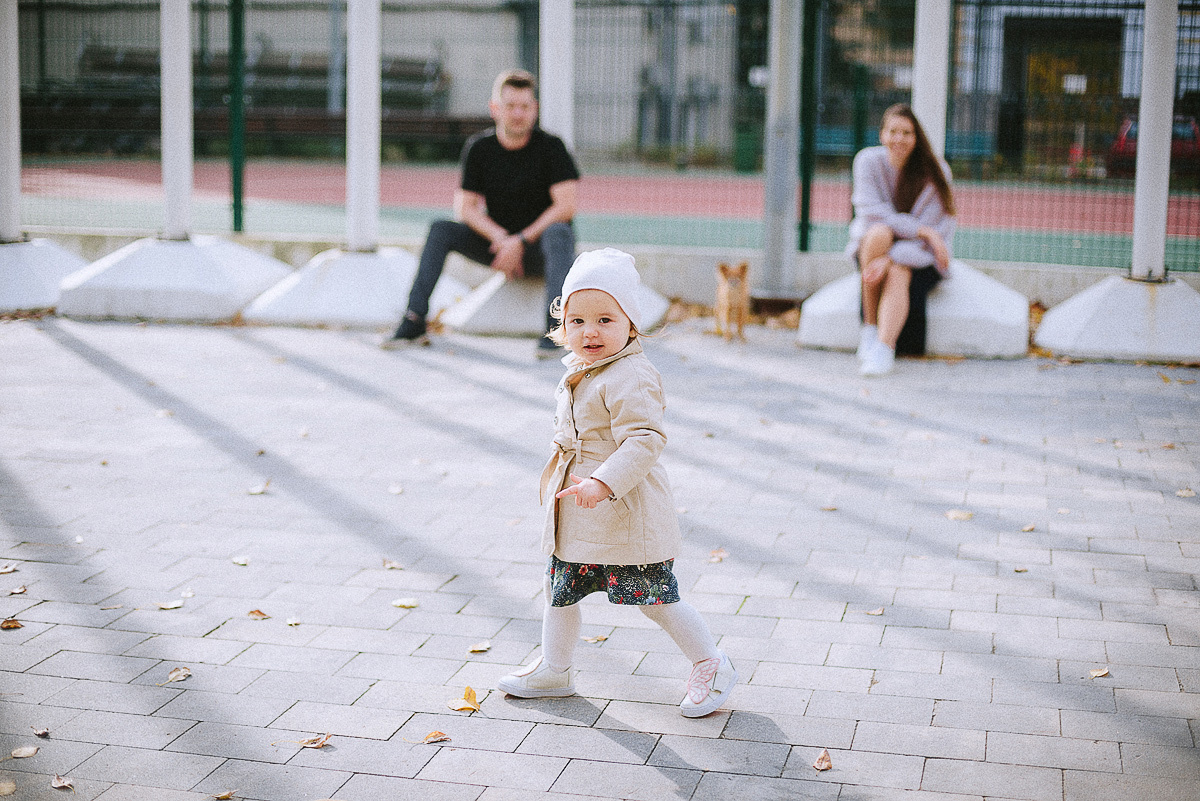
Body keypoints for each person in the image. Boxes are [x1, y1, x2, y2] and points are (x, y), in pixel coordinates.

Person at [497, 248, 737, 718]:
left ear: (631, 324)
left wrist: (603, 482)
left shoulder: (631, 374)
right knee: (561, 590)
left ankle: (713, 663)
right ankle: (556, 668)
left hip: (623, 511)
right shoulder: (581, 369)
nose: (590, 331)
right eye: (578, 319)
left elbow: (645, 439)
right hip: (579, 511)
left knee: (655, 598)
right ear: (562, 323)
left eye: (605, 319)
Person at [382, 69, 580, 356]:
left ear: (534, 110)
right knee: (441, 229)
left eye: (525, 106)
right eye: (510, 106)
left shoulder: (552, 148)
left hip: (539, 249)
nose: (518, 113)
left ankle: (555, 329)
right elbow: (465, 208)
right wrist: (502, 239)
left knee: (559, 232)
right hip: (497, 247)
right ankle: (413, 320)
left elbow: (566, 206)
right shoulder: (479, 148)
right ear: (494, 108)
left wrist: (520, 241)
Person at [846, 103, 956, 376]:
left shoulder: (936, 171)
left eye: (907, 133)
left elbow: (937, 234)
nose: (899, 139)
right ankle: (869, 330)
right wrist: (921, 230)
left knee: (897, 271)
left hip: (922, 257)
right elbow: (870, 212)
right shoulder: (867, 162)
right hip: (878, 247)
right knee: (877, 233)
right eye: (893, 131)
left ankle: (884, 348)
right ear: (882, 135)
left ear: (916, 137)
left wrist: (892, 257)